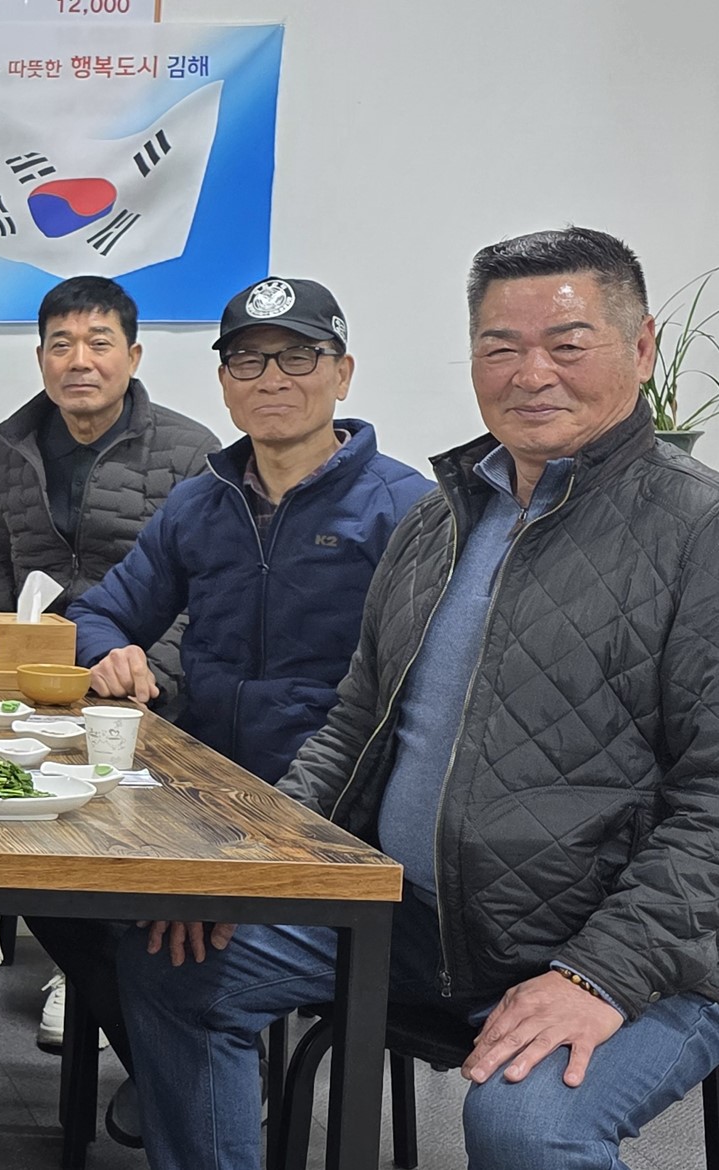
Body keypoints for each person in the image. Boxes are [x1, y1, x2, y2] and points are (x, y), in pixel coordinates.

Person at [118, 227, 719, 1170]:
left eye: (567, 344)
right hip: (403, 917)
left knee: (524, 1126)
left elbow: (714, 804)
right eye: (499, 347)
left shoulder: (697, 530)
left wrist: (599, 973)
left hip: (624, 945)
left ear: (639, 349)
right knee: (174, 960)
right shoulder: (438, 521)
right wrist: (255, 863)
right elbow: (354, 727)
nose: (530, 374)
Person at [36, 276, 432, 1143]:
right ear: (222, 382)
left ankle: (191, 1059)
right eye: (247, 361)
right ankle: (175, 1065)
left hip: (333, 818)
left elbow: (409, 709)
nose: (271, 378)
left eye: (298, 357)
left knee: (172, 961)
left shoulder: (405, 511)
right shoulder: (199, 501)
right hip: (198, 795)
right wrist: (107, 650)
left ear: (342, 373)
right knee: (52, 883)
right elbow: (97, 611)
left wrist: (248, 857)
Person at [0, 277, 221, 1013]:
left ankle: (83, 957)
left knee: (106, 808)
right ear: (40, 359)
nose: (79, 360)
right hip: (34, 671)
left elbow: (207, 588)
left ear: (133, 356)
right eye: (61, 345)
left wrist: (150, 672)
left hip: (141, 682)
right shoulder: (7, 447)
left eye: (98, 342)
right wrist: (8, 654)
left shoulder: (192, 451)